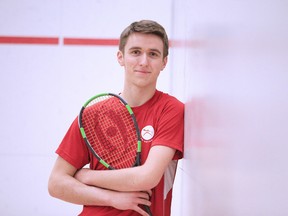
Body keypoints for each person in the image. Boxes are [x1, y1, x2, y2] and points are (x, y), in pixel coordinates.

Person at [48, 20, 184, 216]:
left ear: (164, 62)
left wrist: (87, 175)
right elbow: (56, 183)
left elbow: (147, 177)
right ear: (121, 57)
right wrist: (111, 198)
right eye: (136, 52)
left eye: (153, 54)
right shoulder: (92, 114)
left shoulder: (171, 110)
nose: (144, 61)